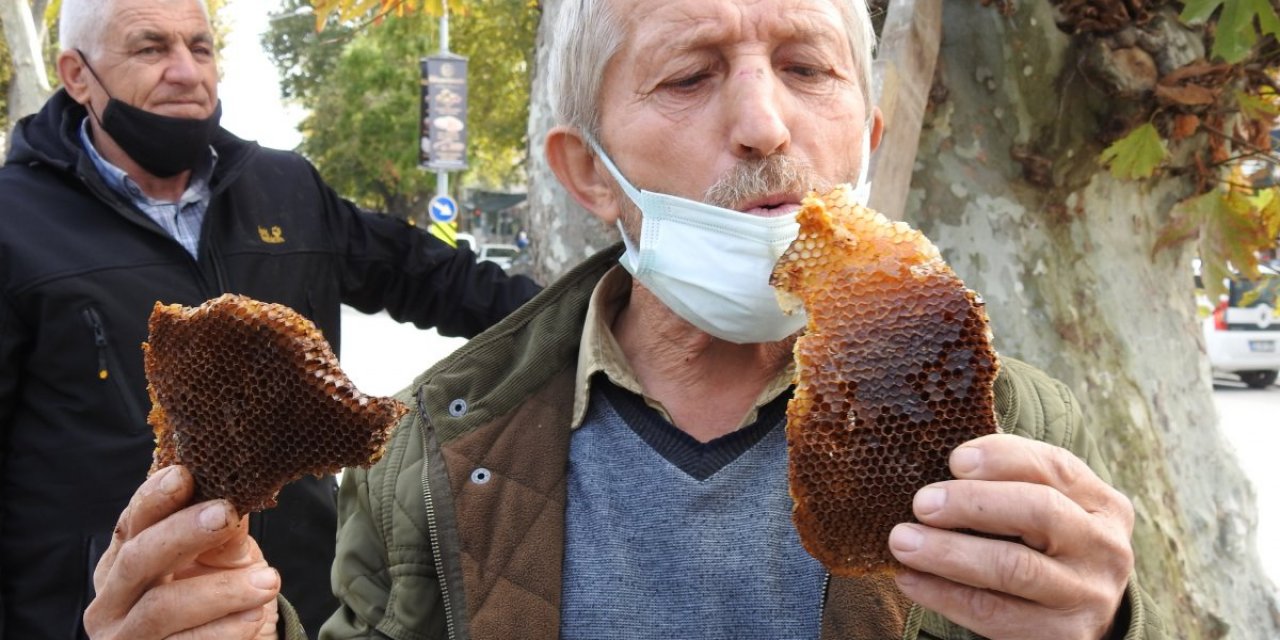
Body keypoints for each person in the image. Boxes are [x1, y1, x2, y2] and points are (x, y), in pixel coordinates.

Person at [83, 0, 1167, 638]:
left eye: (805, 68)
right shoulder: (428, 442)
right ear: (586, 173)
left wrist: (1112, 625)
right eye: (689, 76)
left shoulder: (1012, 424)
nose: (760, 124)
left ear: (871, 132)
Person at [0, 1, 542, 638]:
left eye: (200, 48)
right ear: (76, 74)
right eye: (151, 48)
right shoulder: (15, 224)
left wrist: (598, 310)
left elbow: (430, 275)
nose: (184, 70)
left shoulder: (284, 186)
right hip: (114, 614)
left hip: (298, 602)